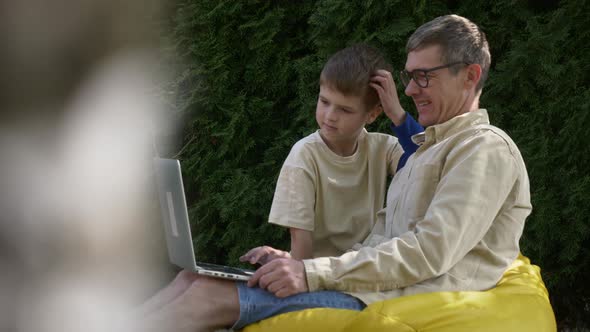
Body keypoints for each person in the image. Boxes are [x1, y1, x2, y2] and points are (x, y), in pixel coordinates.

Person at [138, 14, 532, 332]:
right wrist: (298, 266)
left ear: (470, 75)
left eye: (423, 76)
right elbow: (382, 240)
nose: (410, 89)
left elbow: (428, 253)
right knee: (192, 281)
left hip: (400, 299)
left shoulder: (484, 148)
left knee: (205, 295)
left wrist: (311, 272)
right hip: (371, 286)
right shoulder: (427, 151)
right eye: (410, 76)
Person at [240, 44, 423, 264]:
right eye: (324, 101)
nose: (330, 116)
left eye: (345, 110)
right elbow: (302, 255)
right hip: (321, 275)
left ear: (373, 114)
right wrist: (290, 261)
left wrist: (398, 114)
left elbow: (428, 160)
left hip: (365, 271)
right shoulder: (304, 157)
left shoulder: (383, 148)